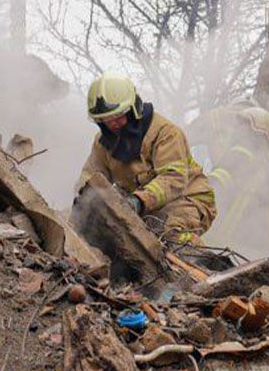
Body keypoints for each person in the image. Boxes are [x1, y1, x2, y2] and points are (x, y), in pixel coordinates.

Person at [76, 73, 215, 243]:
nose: (112, 124)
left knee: (168, 236)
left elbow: (173, 179)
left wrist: (138, 201)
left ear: (134, 108)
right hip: (143, 207)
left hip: (188, 198)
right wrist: (81, 208)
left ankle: (203, 265)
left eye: (118, 116)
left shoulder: (166, 133)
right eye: (105, 120)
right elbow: (90, 177)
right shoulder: (102, 143)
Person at [205, 105, 269, 245]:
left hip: (224, 240)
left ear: (257, 132)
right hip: (252, 247)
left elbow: (214, 186)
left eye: (243, 125)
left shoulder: (240, 153)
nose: (237, 130)